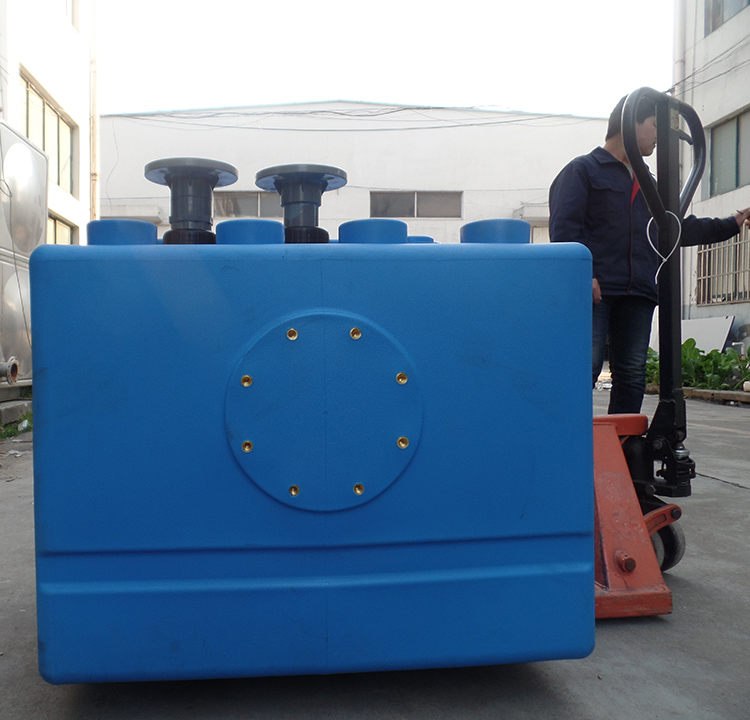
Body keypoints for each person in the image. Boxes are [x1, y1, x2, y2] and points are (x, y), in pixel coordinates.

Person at [549, 94, 750, 415]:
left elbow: (676, 227)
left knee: (632, 374)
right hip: (596, 291)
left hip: (639, 291)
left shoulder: (649, 184)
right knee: (583, 369)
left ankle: (624, 440)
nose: (659, 136)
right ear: (631, 123)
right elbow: (564, 230)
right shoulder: (583, 170)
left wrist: (732, 223)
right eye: (656, 125)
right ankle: (568, 437)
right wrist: (582, 276)